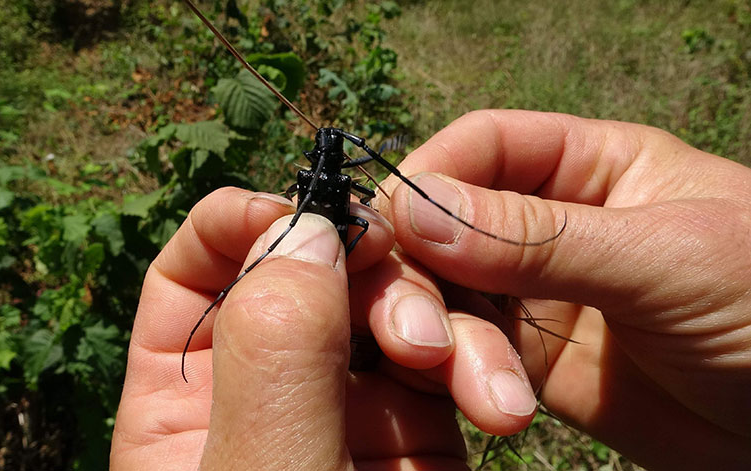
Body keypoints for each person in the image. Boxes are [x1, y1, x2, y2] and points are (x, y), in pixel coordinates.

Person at [109, 110, 751, 470]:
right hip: (339, 243)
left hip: (353, 246)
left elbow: (359, 200)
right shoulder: (325, 176)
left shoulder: (349, 184)